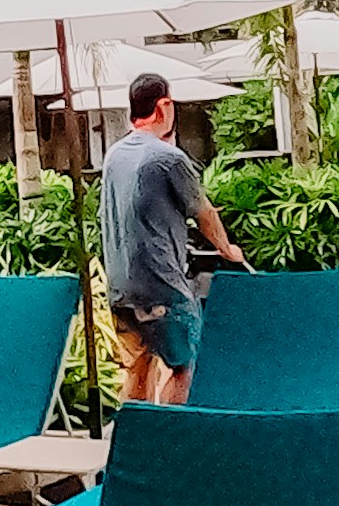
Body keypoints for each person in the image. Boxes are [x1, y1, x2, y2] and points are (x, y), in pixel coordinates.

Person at [99, 66, 245, 404]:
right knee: (188, 367)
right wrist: (226, 249)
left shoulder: (113, 156)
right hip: (162, 288)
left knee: (139, 365)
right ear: (165, 106)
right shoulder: (169, 159)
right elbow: (204, 212)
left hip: (120, 288)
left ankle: (136, 442)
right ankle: (171, 439)